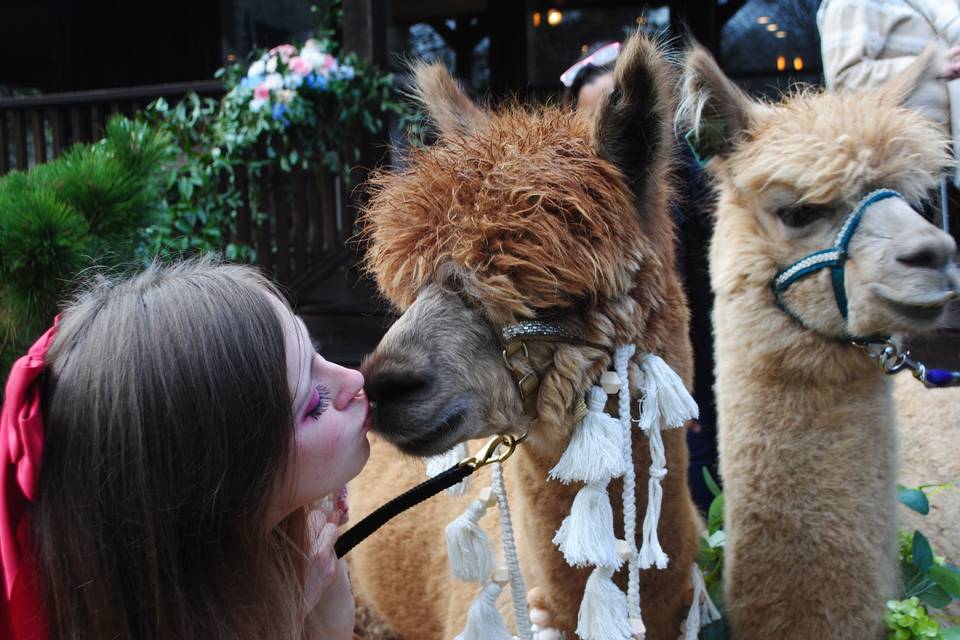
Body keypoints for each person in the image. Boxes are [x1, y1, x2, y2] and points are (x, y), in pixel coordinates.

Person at [1, 258, 369, 639]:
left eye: (318, 353)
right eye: (313, 405)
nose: (354, 377)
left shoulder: (295, 557)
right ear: (217, 495)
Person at [561, 42, 721, 512]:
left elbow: (699, 292)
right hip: (605, 376)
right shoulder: (575, 203)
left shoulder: (688, 185)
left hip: (684, 359)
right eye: (593, 119)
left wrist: (686, 385)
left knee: (688, 487)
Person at [818, 0, 960, 226]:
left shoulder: (932, 7)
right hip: (893, 171)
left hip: (936, 170)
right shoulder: (855, 3)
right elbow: (845, 79)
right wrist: (930, 65)